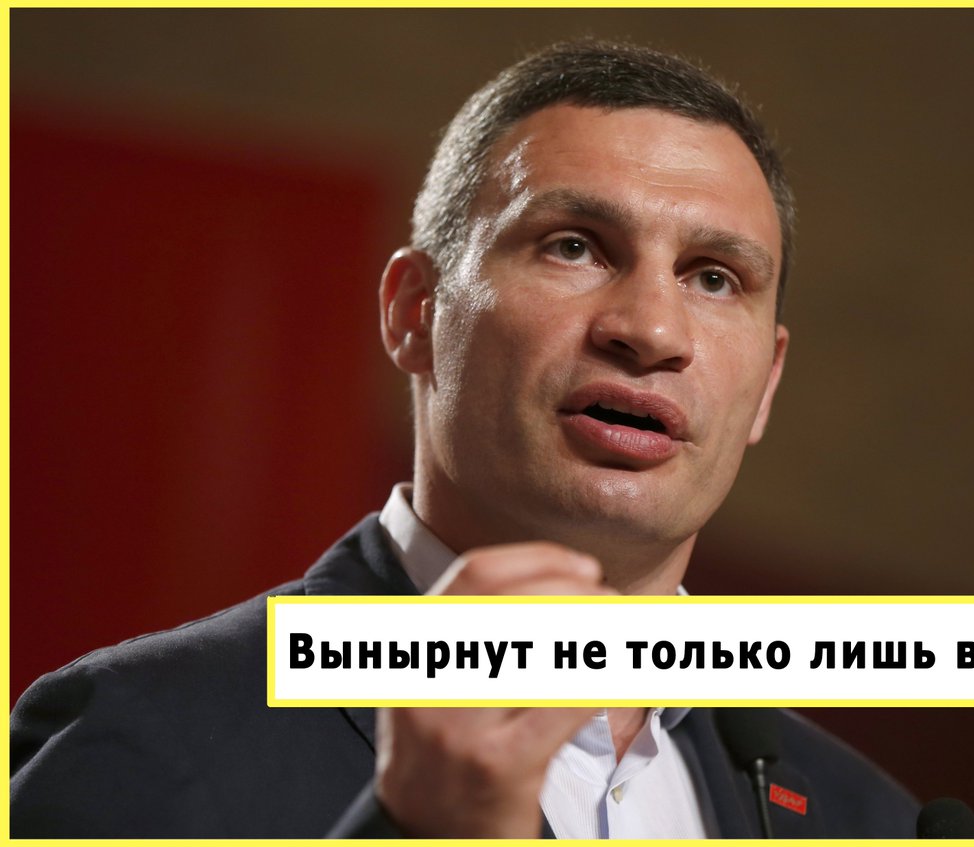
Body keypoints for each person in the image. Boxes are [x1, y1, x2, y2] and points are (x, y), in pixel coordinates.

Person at [10, 39, 918, 838]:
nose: (650, 330)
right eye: (574, 245)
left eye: (713, 277)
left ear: (766, 384)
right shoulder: (140, 744)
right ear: (415, 312)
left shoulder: (872, 823)